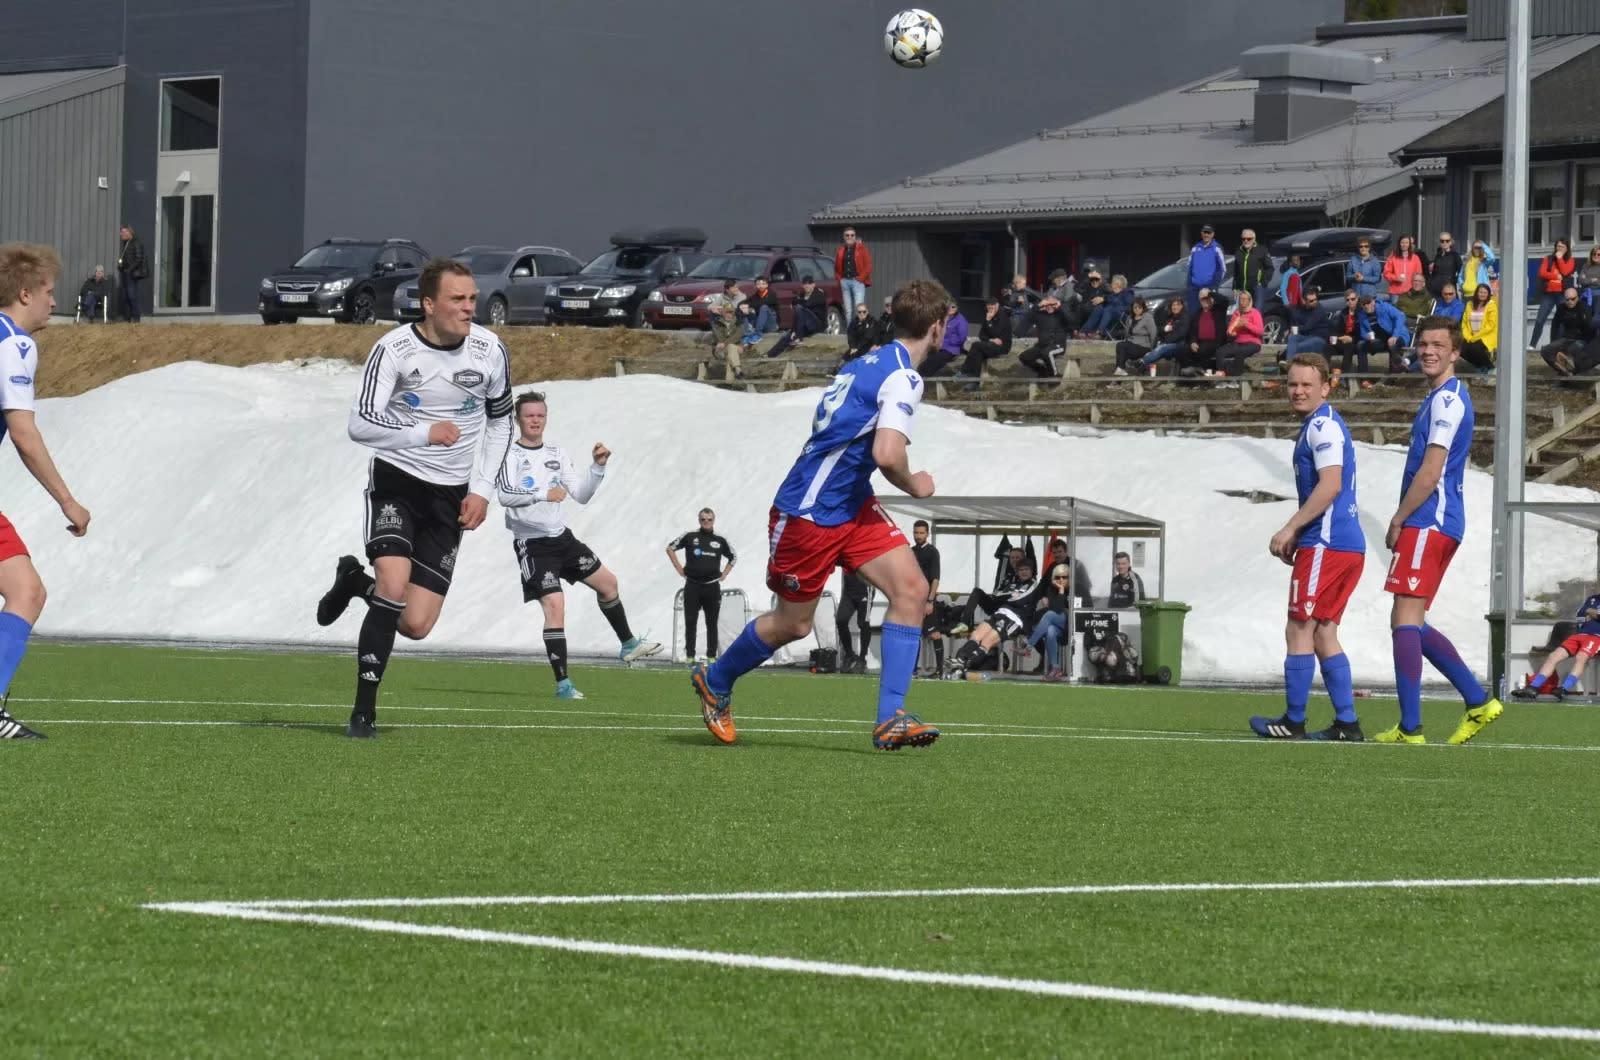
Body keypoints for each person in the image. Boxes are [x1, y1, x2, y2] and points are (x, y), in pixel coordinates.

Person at [688, 279, 947, 750]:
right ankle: (716, 679)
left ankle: (891, 718)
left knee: (911, 589)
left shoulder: (865, 362)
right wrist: (916, 484)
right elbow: (887, 454)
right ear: (937, 328)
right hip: (809, 515)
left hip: (850, 504)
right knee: (794, 624)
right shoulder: (905, 377)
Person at [313, 257, 513, 738]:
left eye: (472, 299)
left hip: (451, 496)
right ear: (428, 304)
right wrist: (424, 433)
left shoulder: (490, 350)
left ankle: (353, 582)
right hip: (398, 482)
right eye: (457, 299)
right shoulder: (395, 349)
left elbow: (501, 422)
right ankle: (363, 713)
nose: (469, 308)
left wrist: (483, 491)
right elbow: (360, 422)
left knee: (417, 624)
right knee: (393, 582)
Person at [1377, 315, 1503, 745]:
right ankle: (1477, 701)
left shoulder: (1447, 401)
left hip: (1429, 519)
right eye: (1423, 344)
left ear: (1455, 353)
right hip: (1437, 521)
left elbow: (1431, 472)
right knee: (1408, 620)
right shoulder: (1440, 398)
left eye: (1438, 345)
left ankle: (1411, 727)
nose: (1428, 351)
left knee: (1405, 618)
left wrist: (1399, 518)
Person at [495, 391, 661, 700]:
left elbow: (581, 494)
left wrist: (597, 467)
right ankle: (563, 685)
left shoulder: (556, 452)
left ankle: (628, 644)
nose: (535, 420)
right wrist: (542, 494)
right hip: (533, 545)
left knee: (608, 584)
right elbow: (504, 495)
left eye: (540, 415)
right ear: (518, 420)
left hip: (562, 539)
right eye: (529, 415)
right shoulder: (510, 455)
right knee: (555, 606)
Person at [0, 244, 92, 739]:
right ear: (24, 294)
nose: (53, 302)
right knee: (26, 592)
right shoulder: (14, 344)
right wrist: (68, 501)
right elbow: (24, 433)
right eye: (49, 292)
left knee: (27, 590)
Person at [1249, 353, 1365, 741]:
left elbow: (1330, 484)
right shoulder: (1321, 424)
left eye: (1306, 385)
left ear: (1325, 388)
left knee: (1299, 627)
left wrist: (1291, 528)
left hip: (1327, 543)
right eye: (1293, 384)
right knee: (1323, 632)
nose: (1298, 391)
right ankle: (1347, 724)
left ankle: (1293, 721)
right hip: (1345, 544)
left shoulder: (1322, 426)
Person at [944, 558, 1045, 678]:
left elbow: (1019, 600)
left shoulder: (1034, 585)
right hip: (1000, 613)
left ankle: (965, 665)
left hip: (1015, 619)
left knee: (987, 641)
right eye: (1021, 570)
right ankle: (960, 660)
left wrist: (1008, 596)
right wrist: (1010, 595)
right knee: (976, 635)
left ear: (1032, 571)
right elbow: (996, 595)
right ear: (1017, 571)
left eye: (1026, 569)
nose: (1024, 572)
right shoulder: (1012, 582)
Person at [667, 508, 736, 662]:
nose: (706, 522)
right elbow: (670, 548)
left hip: (712, 587)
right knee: (690, 621)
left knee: (712, 622)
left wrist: (725, 573)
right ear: (699, 520)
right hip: (692, 585)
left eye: (709, 519)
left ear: (713, 520)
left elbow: (734, 557)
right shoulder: (690, 536)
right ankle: (690, 656)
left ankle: (711, 656)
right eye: (703, 519)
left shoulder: (720, 539)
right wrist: (679, 568)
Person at [1513, 591, 1600, 701]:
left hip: (1596, 637)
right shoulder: (1592, 598)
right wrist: (1591, 614)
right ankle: (1533, 687)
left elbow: (1589, 613)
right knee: (1553, 656)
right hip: (1579, 635)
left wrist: (1592, 612)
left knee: (1581, 657)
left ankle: (1564, 689)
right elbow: (1579, 615)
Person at [1026, 564, 1078, 681]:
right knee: (1050, 630)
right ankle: (1055, 668)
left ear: (1070, 577)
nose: (1061, 580)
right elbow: (1055, 609)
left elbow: (1086, 607)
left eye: (1064, 577)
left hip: (1074, 626)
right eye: (1057, 577)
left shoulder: (1078, 587)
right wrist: (1061, 592)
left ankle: (1028, 647)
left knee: (1049, 615)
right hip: (1060, 628)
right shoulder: (1052, 589)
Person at [910, 520, 945, 677]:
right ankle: (913, 669)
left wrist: (930, 601)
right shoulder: (910, 552)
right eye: (916, 533)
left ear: (927, 534)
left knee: (934, 634)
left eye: (921, 533)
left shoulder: (932, 552)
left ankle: (939, 670)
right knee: (914, 634)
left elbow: (935, 578)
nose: (918, 536)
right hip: (913, 599)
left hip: (927, 599)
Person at [1537, 288, 1598, 375]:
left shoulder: (1584, 307)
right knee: (1545, 351)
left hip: (1581, 339)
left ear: (1577, 298)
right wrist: (1553, 341)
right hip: (1567, 338)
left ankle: (1572, 369)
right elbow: (1555, 325)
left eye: (1573, 299)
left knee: (1571, 351)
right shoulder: (1561, 308)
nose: (1570, 301)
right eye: (1567, 299)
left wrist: (1589, 342)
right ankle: (1563, 370)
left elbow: (1590, 326)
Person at [1531, 238, 1577, 349]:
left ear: (1567, 248)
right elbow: (1542, 273)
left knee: (1561, 321)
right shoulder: (1548, 259)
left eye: (1562, 247)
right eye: (1558, 246)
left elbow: (1565, 271)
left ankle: (1558, 345)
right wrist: (1555, 276)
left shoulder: (1570, 260)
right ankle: (1532, 344)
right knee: (1540, 319)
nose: (1559, 248)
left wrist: (1560, 258)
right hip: (1549, 293)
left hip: (1562, 293)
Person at [766, 276, 826, 357]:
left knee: (800, 308)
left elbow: (808, 304)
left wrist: (797, 301)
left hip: (817, 324)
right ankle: (770, 355)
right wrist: (794, 329)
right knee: (787, 335)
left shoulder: (819, 294)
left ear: (813, 285)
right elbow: (798, 314)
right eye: (805, 284)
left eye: (809, 284)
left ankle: (799, 339)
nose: (807, 286)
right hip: (805, 326)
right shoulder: (802, 295)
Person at [1177, 288, 1228, 379]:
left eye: (1207, 298)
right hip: (1200, 341)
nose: (1205, 300)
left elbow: (1225, 300)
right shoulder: (1198, 313)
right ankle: (1195, 368)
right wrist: (1193, 342)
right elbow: (1192, 331)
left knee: (1203, 349)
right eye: (1202, 299)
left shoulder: (1219, 310)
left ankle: (1202, 371)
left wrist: (1210, 294)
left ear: (1212, 299)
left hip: (1215, 341)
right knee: (1181, 350)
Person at [954, 297, 1011, 378]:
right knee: (978, 353)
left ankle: (964, 370)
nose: (990, 308)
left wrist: (988, 321)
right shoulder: (988, 315)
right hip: (989, 344)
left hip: (1002, 346)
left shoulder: (1002, 316)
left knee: (976, 345)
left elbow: (996, 333)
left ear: (997, 305)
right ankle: (975, 381)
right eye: (988, 306)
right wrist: (991, 339)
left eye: (992, 306)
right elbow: (981, 335)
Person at [1357, 293, 1412, 373]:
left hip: (1398, 335)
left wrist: (1395, 335)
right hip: (1380, 340)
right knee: (1360, 345)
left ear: (1373, 302)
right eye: (1363, 304)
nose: (1366, 306)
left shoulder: (1384, 307)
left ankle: (1393, 375)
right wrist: (1367, 337)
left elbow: (1400, 316)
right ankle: (1363, 376)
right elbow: (1363, 332)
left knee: (1392, 345)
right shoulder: (1361, 315)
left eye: (1368, 302)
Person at [1213, 289, 1263, 377]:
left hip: (1252, 342)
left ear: (1249, 301)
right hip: (1237, 342)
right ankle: (1221, 373)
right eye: (1241, 299)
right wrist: (1231, 333)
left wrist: (1247, 325)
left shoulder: (1255, 313)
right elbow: (1229, 329)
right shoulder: (1236, 313)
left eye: (1245, 299)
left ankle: (1236, 377)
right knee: (1220, 351)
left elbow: (1260, 331)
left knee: (1240, 352)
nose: (1243, 301)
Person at [1018, 295, 1068, 378]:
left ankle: (1054, 376)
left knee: (1047, 353)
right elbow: (1028, 317)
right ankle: (1042, 371)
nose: (1049, 307)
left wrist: (1060, 308)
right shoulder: (1041, 315)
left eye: (1052, 305)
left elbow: (1070, 320)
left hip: (1057, 345)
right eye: (1047, 305)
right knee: (1024, 357)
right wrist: (1038, 306)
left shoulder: (1060, 315)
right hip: (1042, 346)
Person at [706, 278, 747, 379]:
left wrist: (726, 344)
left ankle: (736, 372)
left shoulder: (738, 323)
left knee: (731, 347)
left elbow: (738, 335)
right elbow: (719, 338)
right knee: (732, 347)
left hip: (728, 347)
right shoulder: (717, 324)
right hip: (721, 350)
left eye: (731, 312)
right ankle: (738, 370)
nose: (729, 314)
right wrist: (715, 308)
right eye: (727, 312)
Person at [835, 567, 872, 674]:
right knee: (841, 620)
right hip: (848, 591)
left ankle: (862, 658)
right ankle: (849, 654)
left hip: (865, 589)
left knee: (863, 623)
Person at [1142, 296, 1190, 375]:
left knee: (1161, 348)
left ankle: (1142, 363)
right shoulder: (1170, 317)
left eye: (1177, 305)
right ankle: (1146, 373)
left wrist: (1166, 341)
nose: (1175, 307)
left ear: (1182, 306)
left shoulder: (1185, 317)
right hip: (1167, 343)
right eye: (1173, 305)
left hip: (1180, 344)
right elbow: (1159, 329)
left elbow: (1181, 334)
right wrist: (1165, 329)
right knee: (1154, 352)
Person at [1282, 286, 1331, 361]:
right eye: (1311, 301)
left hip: (1318, 338)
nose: (1314, 302)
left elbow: (1307, 327)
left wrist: (1296, 328)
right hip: (1305, 337)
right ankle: (1289, 362)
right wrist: (1290, 329)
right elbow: (1295, 320)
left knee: (1297, 347)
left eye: (1315, 299)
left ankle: (1288, 362)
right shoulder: (1302, 309)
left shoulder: (1319, 310)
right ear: (1304, 301)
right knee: (1292, 337)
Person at [1186, 224, 1226, 315]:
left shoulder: (1217, 248)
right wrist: (1189, 286)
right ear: (1201, 233)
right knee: (1194, 314)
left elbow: (1222, 269)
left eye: (1209, 233)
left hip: (1209, 288)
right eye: (1204, 232)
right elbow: (1189, 267)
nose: (1206, 235)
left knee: (1208, 314)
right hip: (1194, 288)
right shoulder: (1195, 248)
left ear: (1212, 234)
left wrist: (1213, 287)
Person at [1112, 297, 1157, 375]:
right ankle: (1119, 372)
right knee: (1120, 349)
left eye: (1139, 307)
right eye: (1135, 307)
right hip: (1132, 344)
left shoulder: (1148, 317)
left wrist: (1152, 349)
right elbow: (1127, 334)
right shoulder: (1130, 318)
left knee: (1121, 346)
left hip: (1144, 346)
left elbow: (1154, 333)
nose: (1137, 309)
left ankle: (1120, 370)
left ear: (1143, 308)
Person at [835, 228, 872, 321]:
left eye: (852, 235)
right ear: (844, 237)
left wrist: (861, 278)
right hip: (845, 282)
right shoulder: (841, 250)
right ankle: (850, 330)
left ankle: (860, 329)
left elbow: (868, 266)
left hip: (857, 282)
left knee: (859, 310)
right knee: (848, 311)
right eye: (847, 235)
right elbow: (836, 268)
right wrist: (840, 280)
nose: (850, 237)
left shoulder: (862, 248)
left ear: (855, 236)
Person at [1459, 284, 1498, 372]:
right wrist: (1468, 336)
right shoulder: (1469, 304)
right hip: (1471, 336)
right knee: (1461, 349)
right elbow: (1464, 323)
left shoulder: (1491, 305)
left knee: (1475, 348)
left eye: (1485, 292)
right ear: (1476, 293)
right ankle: (1477, 368)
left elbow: (1490, 325)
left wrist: (1475, 337)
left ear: (1488, 294)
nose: (1482, 294)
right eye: (1481, 292)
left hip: (1486, 336)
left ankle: (1490, 368)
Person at [1233, 228, 1273, 310]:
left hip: (1257, 287)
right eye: (1244, 239)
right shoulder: (1238, 251)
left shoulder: (1262, 250)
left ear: (1254, 239)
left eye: (1249, 239)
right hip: (1243, 288)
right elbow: (1236, 272)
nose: (1246, 241)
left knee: (1257, 310)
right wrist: (1235, 288)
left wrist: (1263, 282)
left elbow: (1270, 268)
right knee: (1242, 311)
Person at [737, 276, 779, 350]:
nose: (761, 286)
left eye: (763, 284)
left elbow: (762, 303)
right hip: (759, 323)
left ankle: (758, 334)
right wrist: (742, 306)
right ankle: (747, 335)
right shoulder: (755, 296)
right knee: (742, 310)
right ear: (755, 286)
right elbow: (741, 303)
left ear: (767, 285)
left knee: (764, 308)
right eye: (758, 284)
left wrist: (748, 305)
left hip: (771, 325)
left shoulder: (772, 295)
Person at [115, 224, 147, 322]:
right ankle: (127, 318)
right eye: (121, 232)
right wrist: (121, 266)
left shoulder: (136, 243)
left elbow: (138, 259)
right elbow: (127, 258)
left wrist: (129, 270)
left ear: (129, 232)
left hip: (132, 274)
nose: (121, 234)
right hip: (126, 273)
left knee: (132, 296)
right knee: (126, 297)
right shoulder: (126, 244)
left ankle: (136, 318)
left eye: (123, 232)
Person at [1383, 235, 1427, 300]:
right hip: (1396, 292)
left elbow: (1419, 275)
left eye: (1406, 243)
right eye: (1402, 242)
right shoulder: (1393, 256)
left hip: (1410, 292)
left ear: (1409, 244)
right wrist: (1396, 278)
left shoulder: (1415, 258)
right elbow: (1386, 273)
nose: (1404, 245)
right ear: (1399, 244)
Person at [1346, 235, 1382, 301]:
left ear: (1369, 247)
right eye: (1361, 246)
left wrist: (1363, 278)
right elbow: (1348, 276)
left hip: (1370, 296)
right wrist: (1354, 276)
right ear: (1358, 248)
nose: (1363, 248)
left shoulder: (1374, 261)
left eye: (1366, 246)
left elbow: (1377, 278)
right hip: (1356, 296)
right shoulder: (1353, 259)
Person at [1426, 232, 1462, 298]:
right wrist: (1431, 283)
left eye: (1447, 241)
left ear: (1450, 242)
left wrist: (1452, 280)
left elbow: (1461, 272)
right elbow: (1434, 273)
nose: (1444, 243)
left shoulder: (1455, 255)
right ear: (1439, 242)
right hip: (1435, 290)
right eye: (1442, 241)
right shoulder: (1438, 255)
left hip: (1448, 291)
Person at [1580, 245, 1600, 324]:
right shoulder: (1586, 266)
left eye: (1598, 254)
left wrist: (1587, 279)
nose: (1596, 256)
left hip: (1598, 297)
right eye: (1594, 254)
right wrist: (1593, 280)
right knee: (1586, 319)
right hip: (1586, 296)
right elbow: (1581, 280)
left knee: (1596, 319)